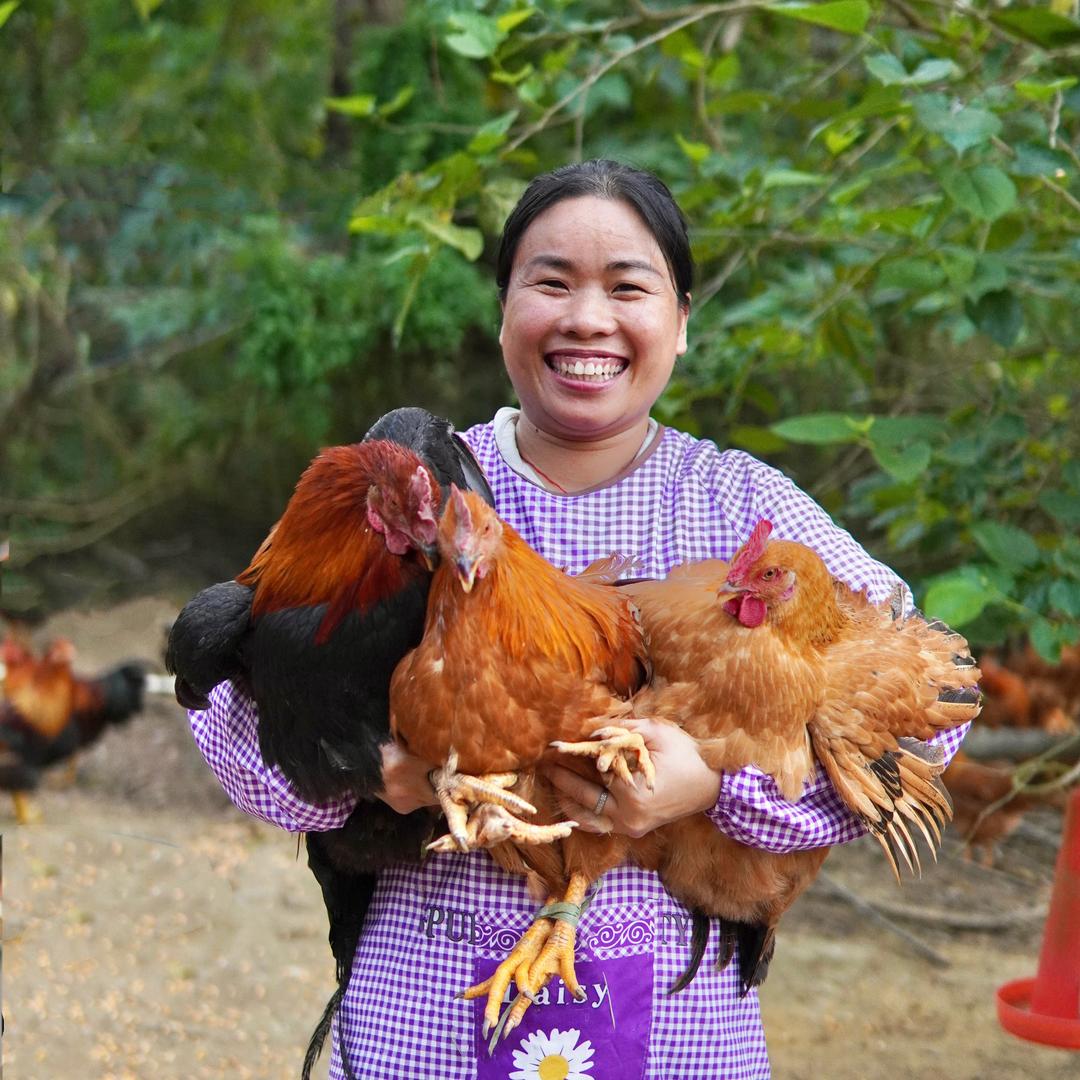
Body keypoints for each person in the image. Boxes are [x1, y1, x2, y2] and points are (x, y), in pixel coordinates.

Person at [190, 159, 967, 1080]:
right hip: (423, 1013)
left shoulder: (736, 504)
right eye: (550, 282)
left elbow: (931, 712)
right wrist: (367, 777)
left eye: (628, 287)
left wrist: (714, 788)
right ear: (505, 310)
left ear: (681, 323)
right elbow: (232, 709)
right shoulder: (411, 492)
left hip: (679, 1028)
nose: (587, 318)